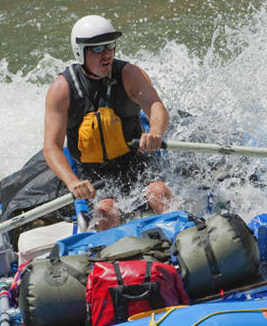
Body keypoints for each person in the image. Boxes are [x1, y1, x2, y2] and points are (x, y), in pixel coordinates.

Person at [43, 14, 173, 229]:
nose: (106, 55)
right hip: (95, 174)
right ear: (80, 52)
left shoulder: (130, 74)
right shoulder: (61, 90)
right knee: (107, 209)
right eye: (97, 49)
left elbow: (156, 106)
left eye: (110, 46)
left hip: (135, 161)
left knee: (158, 191)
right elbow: (51, 147)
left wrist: (156, 132)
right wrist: (73, 182)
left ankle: (186, 236)